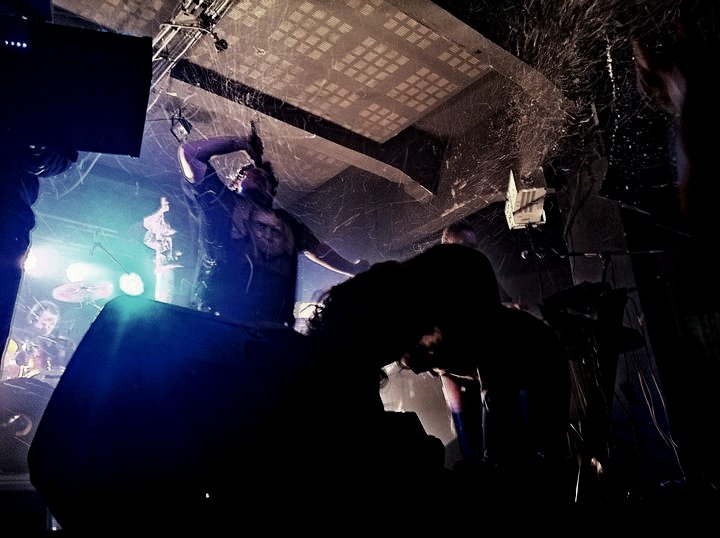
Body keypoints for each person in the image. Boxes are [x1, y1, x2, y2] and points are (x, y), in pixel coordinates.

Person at [397, 243, 573, 507]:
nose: (426, 371)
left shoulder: (494, 341)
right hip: (511, 356)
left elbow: (496, 408)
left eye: (426, 357)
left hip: (536, 364)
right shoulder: (455, 321)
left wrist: (489, 467)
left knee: (538, 464)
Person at [178, 124, 369, 327]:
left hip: (273, 324)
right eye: (251, 173)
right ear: (235, 183)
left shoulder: (287, 222)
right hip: (220, 315)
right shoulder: (223, 201)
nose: (260, 175)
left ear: (272, 191)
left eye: (266, 177)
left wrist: (351, 269)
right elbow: (189, 152)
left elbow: (318, 250)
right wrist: (242, 143)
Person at [5, 299, 74, 386]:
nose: (47, 326)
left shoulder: (50, 346)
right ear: (33, 318)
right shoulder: (15, 338)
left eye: (52, 324)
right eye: (45, 321)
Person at [143, 196, 182, 303]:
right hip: (163, 265)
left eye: (168, 204)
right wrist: (161, 211)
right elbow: (147, 224)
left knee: (167, 294)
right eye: (165, 203)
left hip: (172, 266)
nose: (167, 206)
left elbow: (173, 230)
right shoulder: (158, 219)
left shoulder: (174, 220)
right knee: (162, 295)